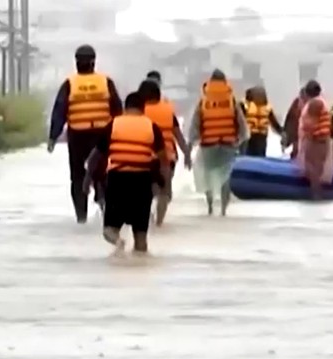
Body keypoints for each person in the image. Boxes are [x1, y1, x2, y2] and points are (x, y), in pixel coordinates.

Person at [82, 92, 169, 254]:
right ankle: (141, 266)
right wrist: (164, 186)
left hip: (118, 181)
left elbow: (95, 156)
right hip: (142, 182)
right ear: (143, 109)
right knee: (141, 236)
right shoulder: (152, 126)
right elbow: (164, 160)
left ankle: (119, 243)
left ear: (125, 107)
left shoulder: (113, 124)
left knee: (109, 230)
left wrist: (87, 180)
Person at [48, 44, 123, 223]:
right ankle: (104, 205)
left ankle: (81, 218)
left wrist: (53, 137)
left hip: (78, 136)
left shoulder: (69, 84)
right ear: (93, 62)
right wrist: (120, 133)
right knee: (103, 171)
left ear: (76, 63)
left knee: (78, 176)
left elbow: (59, 112)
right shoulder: (105, 82)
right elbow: (117, 109)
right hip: (102, 135)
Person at [189, 69, 248, 215]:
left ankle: (209, 206)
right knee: (225, 178)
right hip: (228, 145)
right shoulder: (231, 101)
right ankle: (223, 210)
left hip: (208, 145)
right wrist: (240, 141)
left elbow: (196, 124)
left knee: (207, 175)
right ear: (225, 82)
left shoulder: (203, 101)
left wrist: (190, 144)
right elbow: (242, 125)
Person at [138, 79, 192, 226]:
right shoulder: (168, 111)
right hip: (167, 158)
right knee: (165, 192)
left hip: (143, 157)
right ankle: (159, 223)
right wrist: (187, 154)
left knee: (147, 191)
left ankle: (147, 220)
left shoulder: (138, 110)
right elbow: (178, 135)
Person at [297, 79, 333, 200]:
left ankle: (316, 195)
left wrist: (306, 135)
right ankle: (316, 194)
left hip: (316, 140)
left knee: (313, 168)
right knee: (315, 168)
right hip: (320, 139)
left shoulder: (315, 104)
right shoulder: (321, 102)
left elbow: (310, 123)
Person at [243, 86, 284, 157]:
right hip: (259, 137)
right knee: (260, 156)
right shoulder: (267, 108)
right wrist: (281, 132)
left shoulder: (246, 106)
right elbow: (274, 123)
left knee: (248, 156)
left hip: (250, 136)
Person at [282, 87, 307, 159]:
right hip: (296, 135)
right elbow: (289, 119)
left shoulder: (312, 105)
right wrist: (285, 135)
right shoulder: (296, 103)